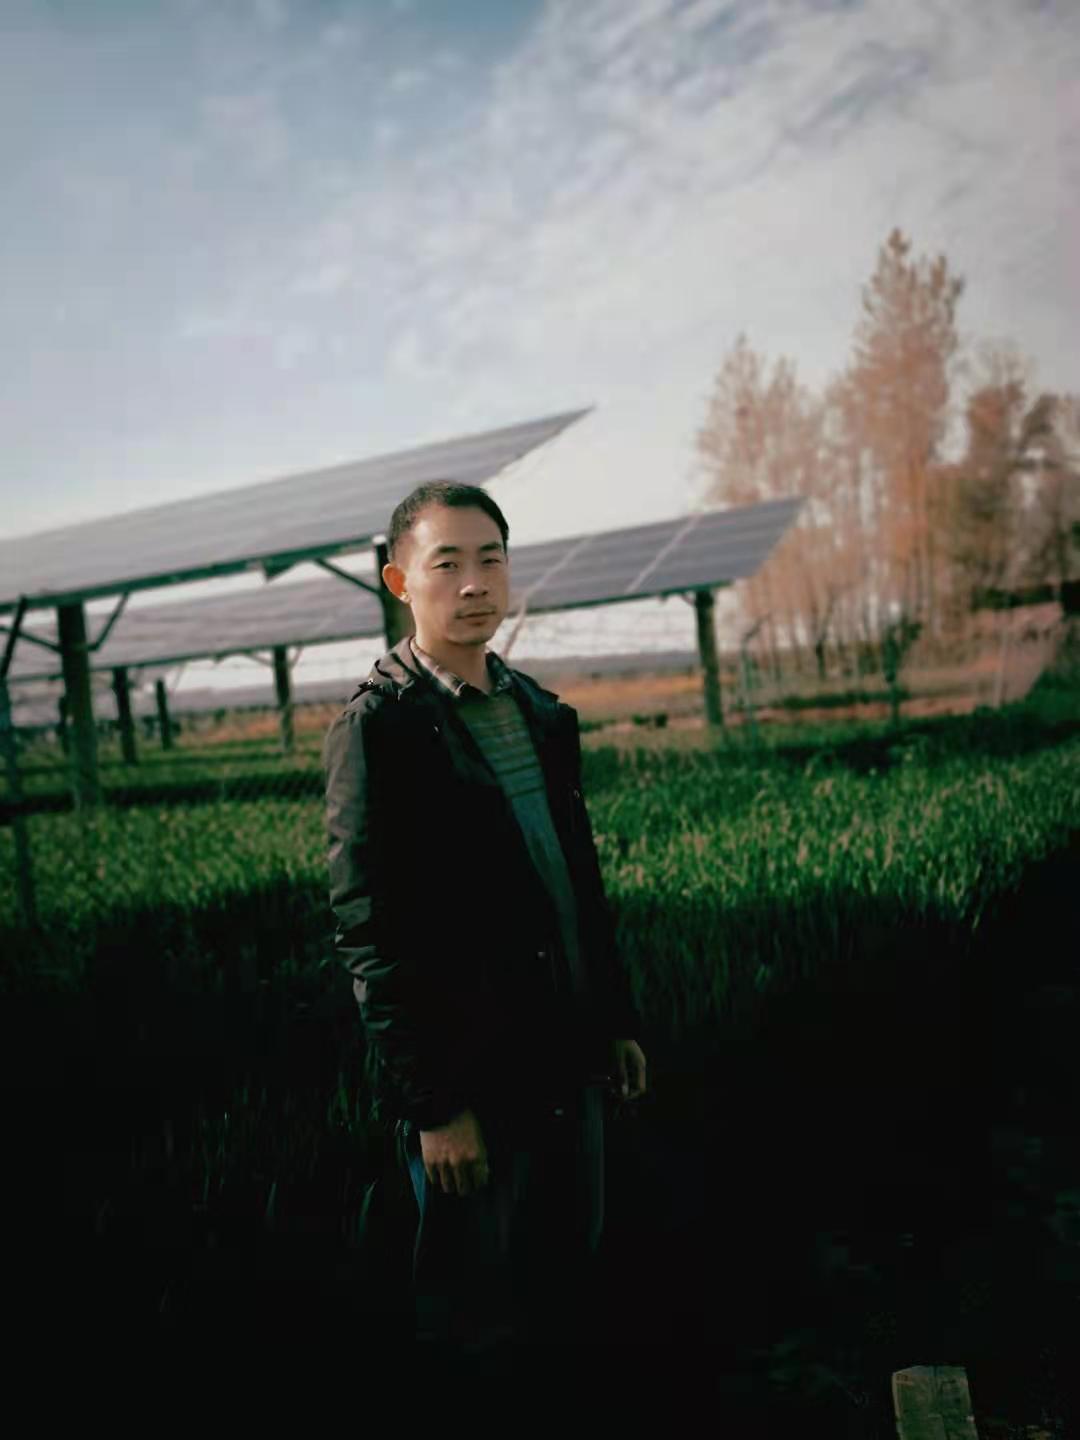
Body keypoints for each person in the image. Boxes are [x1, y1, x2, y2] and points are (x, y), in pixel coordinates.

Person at [322, 480, 647, 1355]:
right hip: (476, 1075)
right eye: (448, 564)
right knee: (478, 1309)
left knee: (570, 1272)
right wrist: (435, 1106)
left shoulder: (538, 712)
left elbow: (577, 884)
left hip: (568, 1056)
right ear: (400, 583)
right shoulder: (380, 729)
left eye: (491, 560)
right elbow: (371, 935)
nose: (474, 583)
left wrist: (613, 1019)